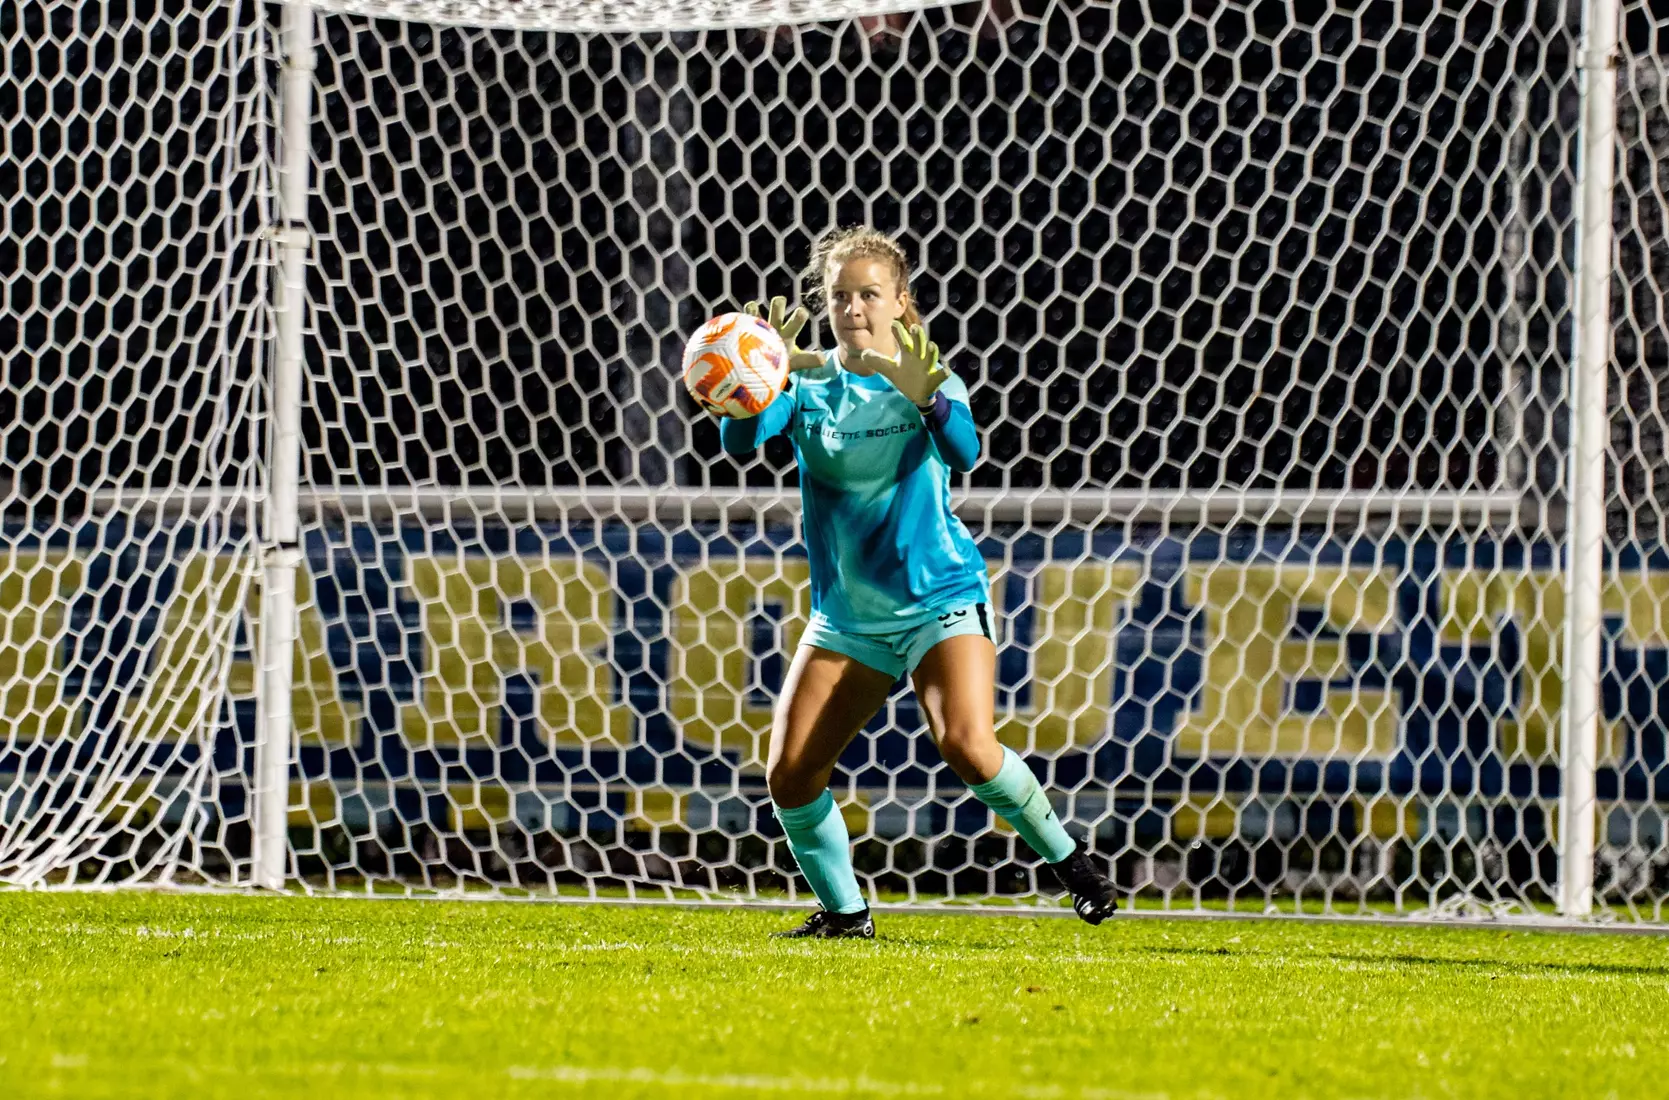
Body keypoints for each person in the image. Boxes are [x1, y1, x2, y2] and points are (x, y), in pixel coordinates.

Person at [713, 226, 1119, 938]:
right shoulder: (807, 382)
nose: (853, 308)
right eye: (839, 296)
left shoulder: (927, 377)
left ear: (901, 301)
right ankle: (845, 915)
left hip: (938, 600)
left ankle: (1070, 862)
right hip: (848, 618)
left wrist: (928, 397)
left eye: (869, 294)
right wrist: (755, 380)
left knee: (965, 742)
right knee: (790, 776)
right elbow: (742, 442)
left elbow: (963, 449)